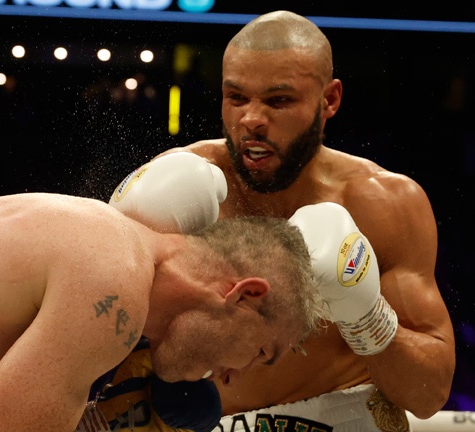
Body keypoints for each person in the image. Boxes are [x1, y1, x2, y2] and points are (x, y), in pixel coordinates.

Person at [107, 10, 456, 432]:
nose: (251, 119)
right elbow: (104, 329)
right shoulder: (176, 188)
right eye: (236, 97)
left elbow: (429, 394)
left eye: (278, 100)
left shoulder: (384, 203)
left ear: (329, 100)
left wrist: (365, 315)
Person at [0, 191, 326, 432]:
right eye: (262, 352)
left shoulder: (107, 248)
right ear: (244, 295)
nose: (233, 377)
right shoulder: (114, 285)